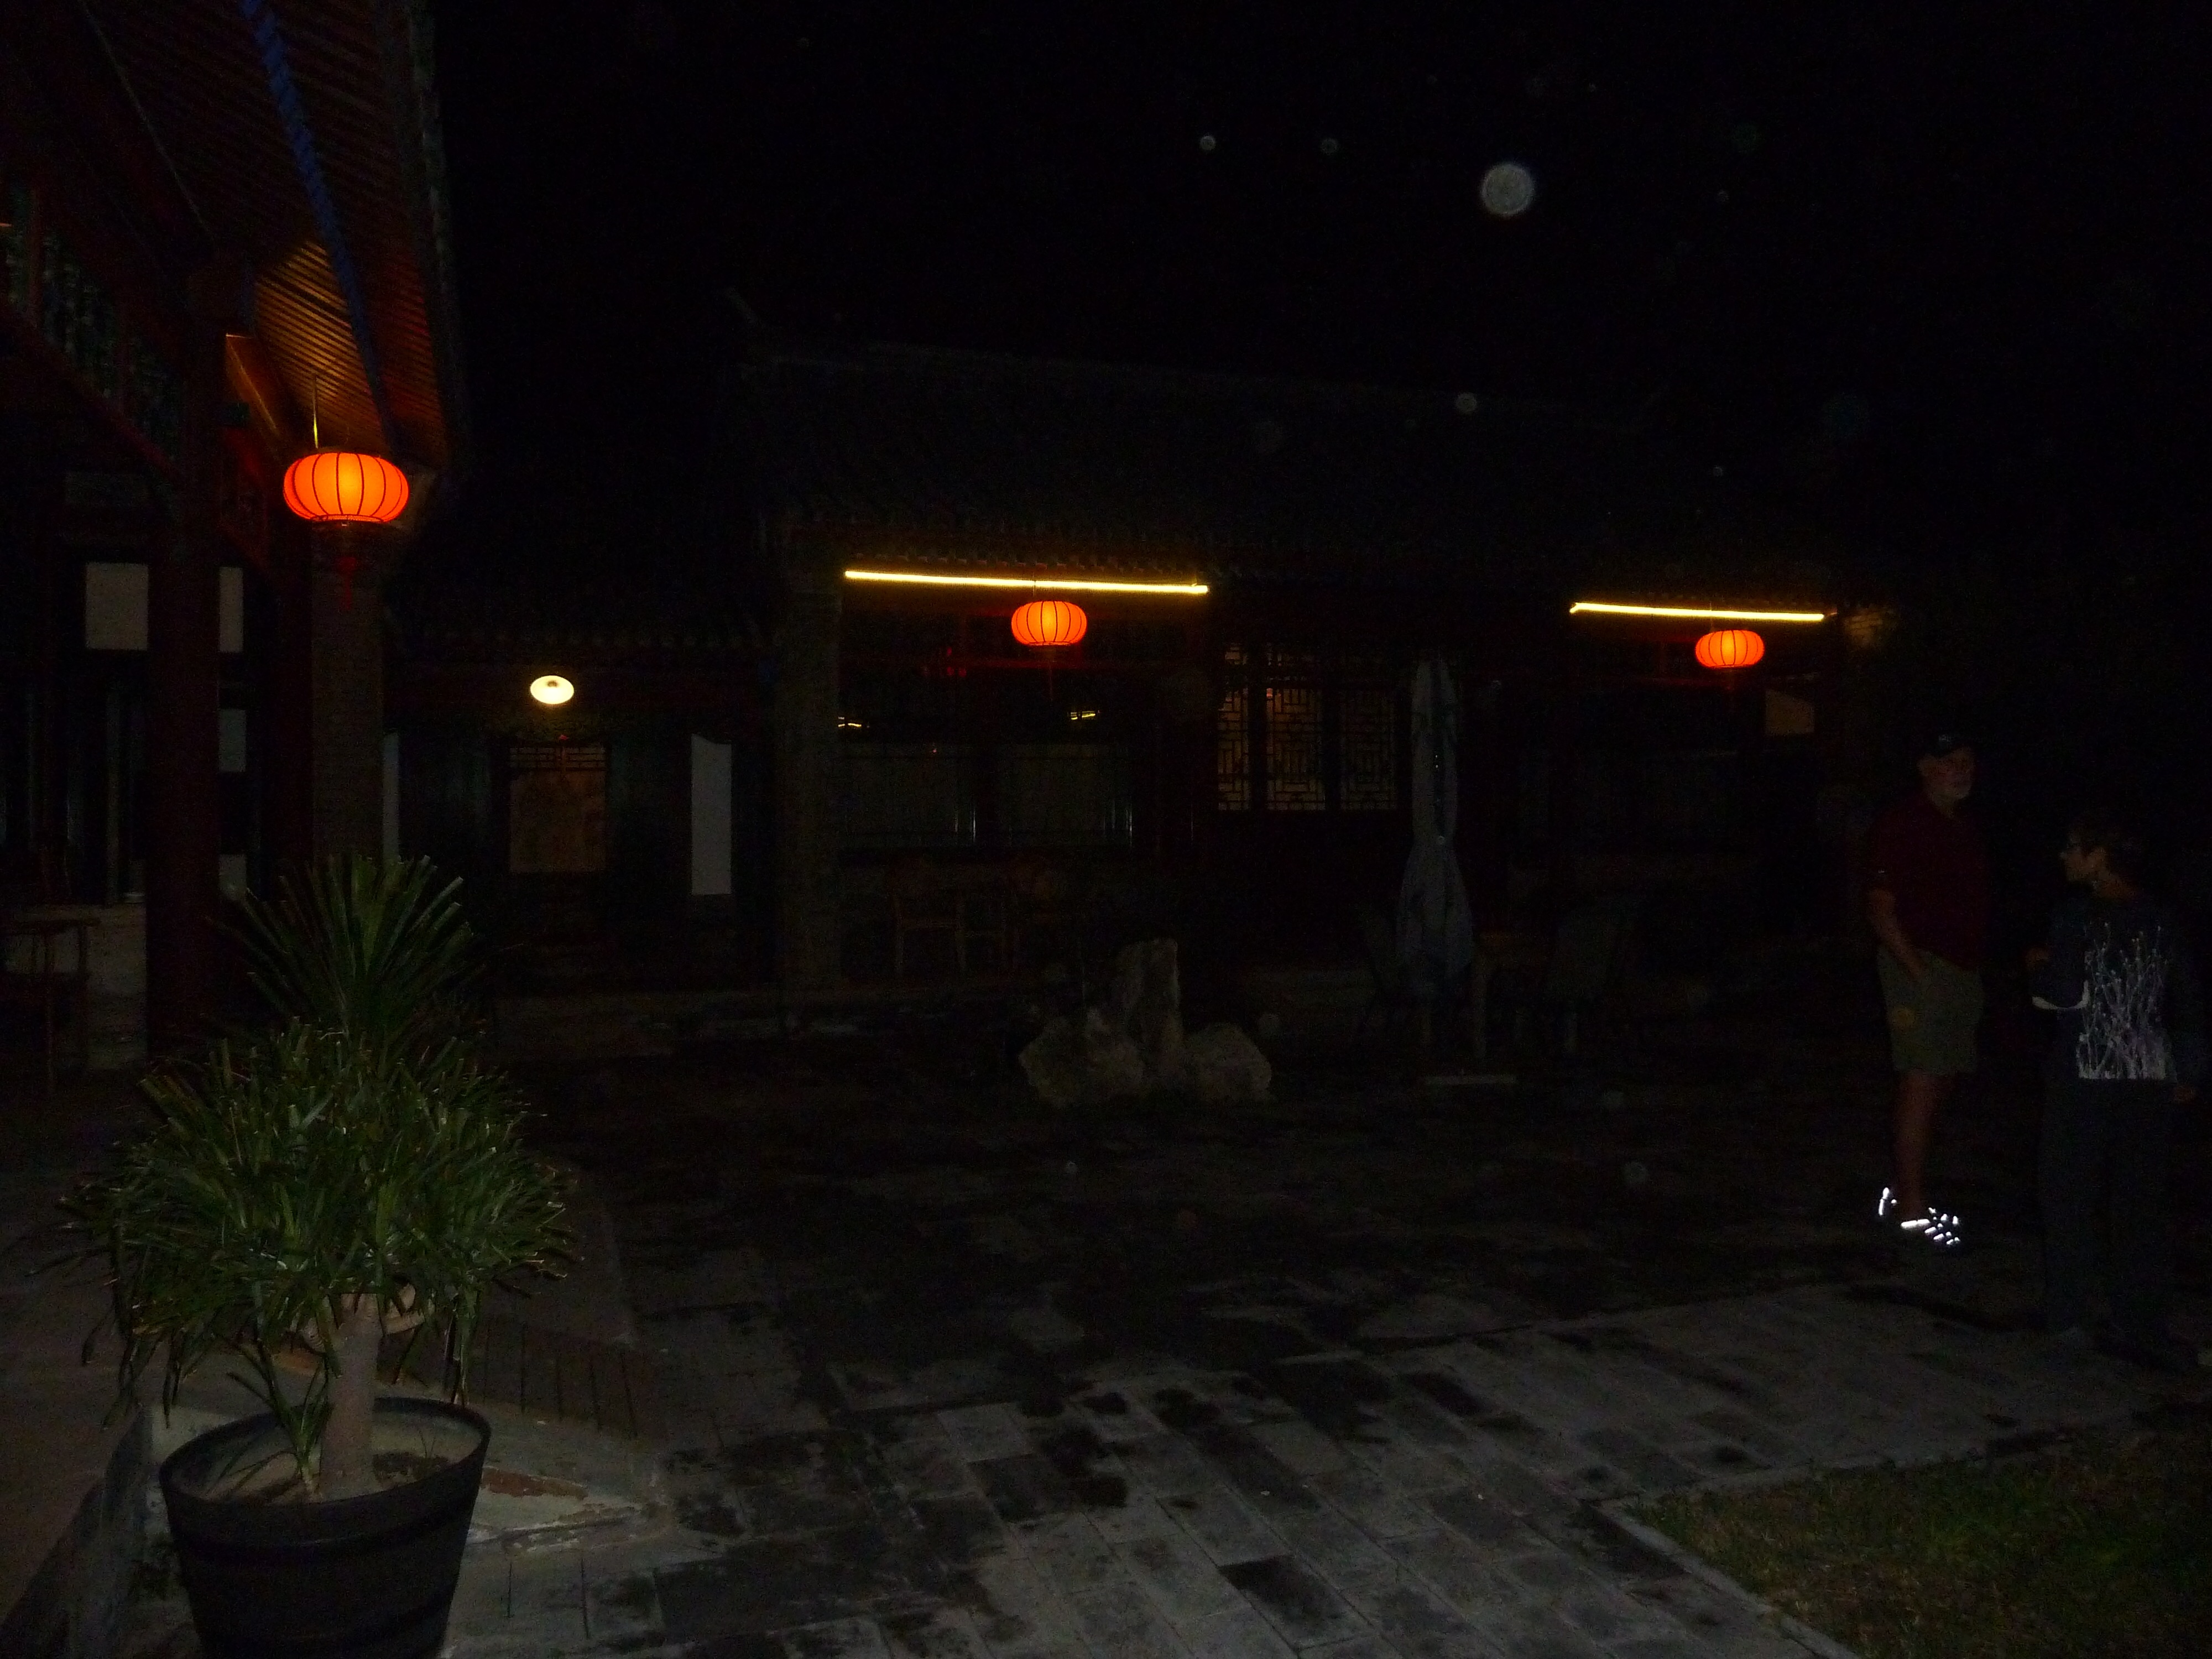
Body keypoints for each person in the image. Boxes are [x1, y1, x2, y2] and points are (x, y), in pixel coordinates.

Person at [2029, 811, 2204, 1372]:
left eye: (2073, 847)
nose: (2064, 856)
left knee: (2068, 1195)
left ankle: (2069, 1317)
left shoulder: (2075, 916)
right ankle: (2141, 1320)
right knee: (2140, 1203)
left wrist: (2036, 967)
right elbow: (2187, 997)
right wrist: (2189, 1069)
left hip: (2085, 1075)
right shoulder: (2163, 918)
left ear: (2099, 857)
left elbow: (2064, 993)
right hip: (2147, 1075)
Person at [1865, 731, 1989, 1248]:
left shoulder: (1962, 827)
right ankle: (1911, 1207)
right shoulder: (1904, 823)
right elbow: (1881, 909)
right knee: (1921, 1078)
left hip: (1960, 968)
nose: (1961, 770)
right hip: (1923, 965)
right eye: (1949, 761)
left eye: (1967, 761)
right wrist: (1919, 974)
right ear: (1924, 767)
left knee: (1944, 1077)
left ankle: (1903, 1187)